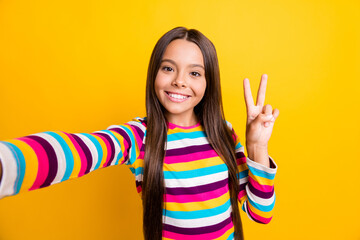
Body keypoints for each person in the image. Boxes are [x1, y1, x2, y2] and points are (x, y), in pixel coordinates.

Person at [0, 26, 279, 240]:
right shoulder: (140, 137)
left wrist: (257, 146)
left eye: (195, 73)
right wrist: (7, 163)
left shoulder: (224, 134)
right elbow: (83, 150)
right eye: (168, 68)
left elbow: (260, 214)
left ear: (209, 82)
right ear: (154, 74)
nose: (179, 81)